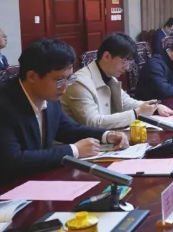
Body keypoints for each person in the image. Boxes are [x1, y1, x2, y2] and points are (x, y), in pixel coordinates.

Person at [0, 38, 129, 185]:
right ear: (32, 76)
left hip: (37, 181)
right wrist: (74, 150)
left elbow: (67, 128)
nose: (65, 87)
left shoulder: (49, 96)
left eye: (69, 79)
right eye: (60, 80)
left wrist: (106, 135)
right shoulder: (4, 104)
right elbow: (13, 160)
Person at [62, 34, 173, 129]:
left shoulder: (109, 76)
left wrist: (155, 107)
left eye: (130, 62)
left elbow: (126, 102)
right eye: (124, 61)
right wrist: (136, 113)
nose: (127, 67)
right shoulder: (79, 82)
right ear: (107, 56)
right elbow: (93, 123)